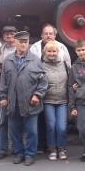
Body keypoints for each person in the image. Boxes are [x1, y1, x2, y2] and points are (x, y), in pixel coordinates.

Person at [0, 31, 48, 166]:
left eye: (25, 42)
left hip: (30, 102)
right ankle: (19, 152)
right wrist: (3, 97)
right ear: (15, 43)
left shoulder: (35, 60)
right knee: (14, 130)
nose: (23, 44)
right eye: (20, 42)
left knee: (32, 130)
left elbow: (43, 81)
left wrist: (37, 95)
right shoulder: (7, 60)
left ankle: (30, 154)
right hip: (13, 101)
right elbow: (3, 82)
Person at [30, 23, 71, 154]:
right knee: (46, 123)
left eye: (51, 33)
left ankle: (59, 147)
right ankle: (44, 145)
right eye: (46, 33)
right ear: (42, 35)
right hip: (43, 94)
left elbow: (68, 67)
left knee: (59, 125)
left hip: (60, 97)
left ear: (55, 35)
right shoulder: (35, 47)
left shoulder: (62, 48)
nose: (48, 35)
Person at [0, 25, 17, 159]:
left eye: (12, 34)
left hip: (17, 90)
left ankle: (17, 148)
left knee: (16, 121)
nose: (9, 37)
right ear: (3, 36)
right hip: (2, 89)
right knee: (3, 121)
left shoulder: (21, 50)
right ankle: (2, 149)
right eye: (7, 35)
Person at [42, 41, 70, 161]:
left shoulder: (64, 64)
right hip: (48, 100)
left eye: (54, 51)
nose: (52, 53)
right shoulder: (41, 65)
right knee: (51, 126)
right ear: (45, 52)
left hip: (62, 100)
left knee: (62, 127)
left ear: (58, 52)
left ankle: (61, 148)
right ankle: (52, 148)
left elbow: (71, 78)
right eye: (49, 51)